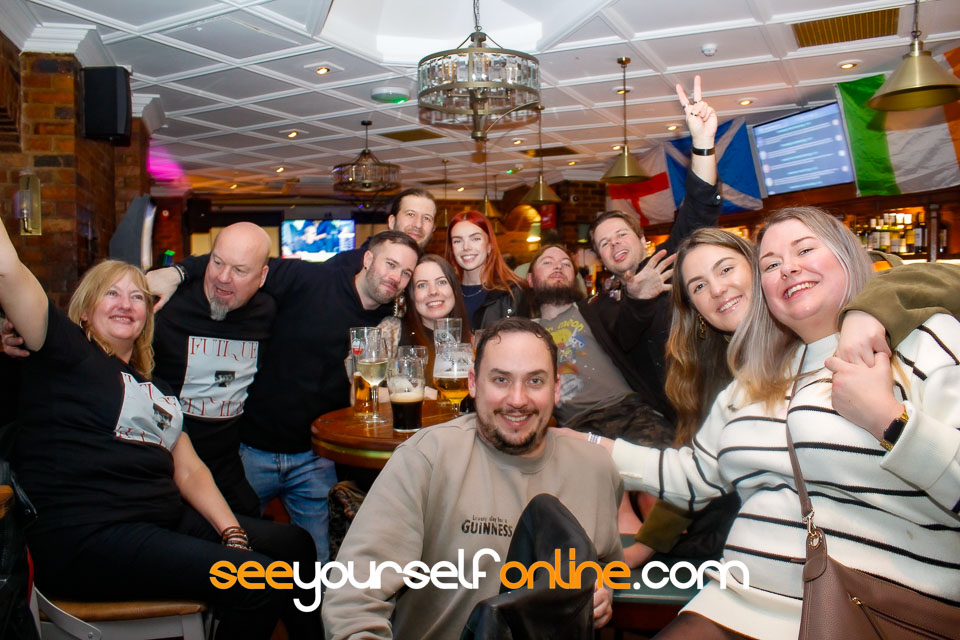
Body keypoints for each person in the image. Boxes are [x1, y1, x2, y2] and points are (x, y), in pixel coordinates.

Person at [573, 207, 960, 638]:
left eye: (805, 250)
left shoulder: (915, 340)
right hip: (737, 599)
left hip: (866, 607)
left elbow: (933, 277)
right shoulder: (751, 380)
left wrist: (888, 420)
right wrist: (582, 445)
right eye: (772, 264)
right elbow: (696, 474)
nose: (788, 267)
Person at [0, 221, 320, 639]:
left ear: (148, 313)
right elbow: (8, 270)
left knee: (295, 545)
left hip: (157, 522)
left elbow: (189, 469)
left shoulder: (157, 389)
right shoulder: (65, 353)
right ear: (84, 310)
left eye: (137, 296)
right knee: (258, 582)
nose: (126, 303)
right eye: (111, 293)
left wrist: (233, 534)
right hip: (88, 537)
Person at [322, 318, 624, 639]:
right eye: (501, 380)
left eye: (535, 381)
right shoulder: (427, 459)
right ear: (473, 383)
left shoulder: (595, 468)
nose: (517, 399)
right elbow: (352, 599)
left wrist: (601, 589)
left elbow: (607, 563)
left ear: (556, 388)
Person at [147, 230, 420, 563]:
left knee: (319, 563)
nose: (395, 277)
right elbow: (237, 263)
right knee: (236, 557)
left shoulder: (391, 323)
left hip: (313, 458)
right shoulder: (311, 278)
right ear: (367, 259)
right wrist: (176, 272)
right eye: (390, 264)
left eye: (406, 272)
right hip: (250, 452)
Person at [584, 76, 721, 422]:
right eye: (605, 243)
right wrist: (637, 299)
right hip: (663, 422)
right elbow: (622, 340)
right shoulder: (601, 308)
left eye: (621, 235)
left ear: (641, 238)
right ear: (601, 260)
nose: (615, 243)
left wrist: (703, 143)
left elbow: (699, 206)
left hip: (716, 401)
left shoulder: (669, 260)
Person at [527, 243, 673, 445]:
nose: (558, 266)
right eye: (547, 262)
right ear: (530, 279)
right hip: (577, 426)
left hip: (629, 412)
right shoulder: (526, 332)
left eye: (566, 264)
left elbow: (629, 323)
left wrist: (638, 300)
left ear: (574, 278)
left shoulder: (596, 309)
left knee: (665, 460)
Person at [379, 254, 473, 388]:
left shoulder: (472, 342)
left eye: (441, 282)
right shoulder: (391, 332)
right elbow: (363, 391)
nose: (433, 292)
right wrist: (420, 394)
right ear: (411, 295)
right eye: (422, 285)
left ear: (455, 290)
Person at [445, 210, 530, 331]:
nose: (466, 247)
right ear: (452, 250)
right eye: (457, 241)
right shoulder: (446, 292)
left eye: (475, 239)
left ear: (489, 246)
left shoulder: (512, 293)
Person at [329, 188, 437, 271]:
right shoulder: (345, 265)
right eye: (410, 214)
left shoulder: (431, 273)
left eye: (427, 218)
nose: (418, 224)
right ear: (392, 222)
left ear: (433, 228)